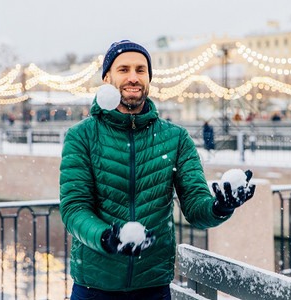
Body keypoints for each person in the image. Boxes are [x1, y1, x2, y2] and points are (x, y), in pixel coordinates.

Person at [59, 40, 256, 300]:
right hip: (94, 287)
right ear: (107, 78)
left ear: (149, 78)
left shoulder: (175, 138)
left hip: (153, 287)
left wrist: (220, 207)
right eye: (123, 69)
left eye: (141, 70)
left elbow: (196, 207)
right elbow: (75, 209)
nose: (133, 77)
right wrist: (106, 237)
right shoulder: (81, 136)